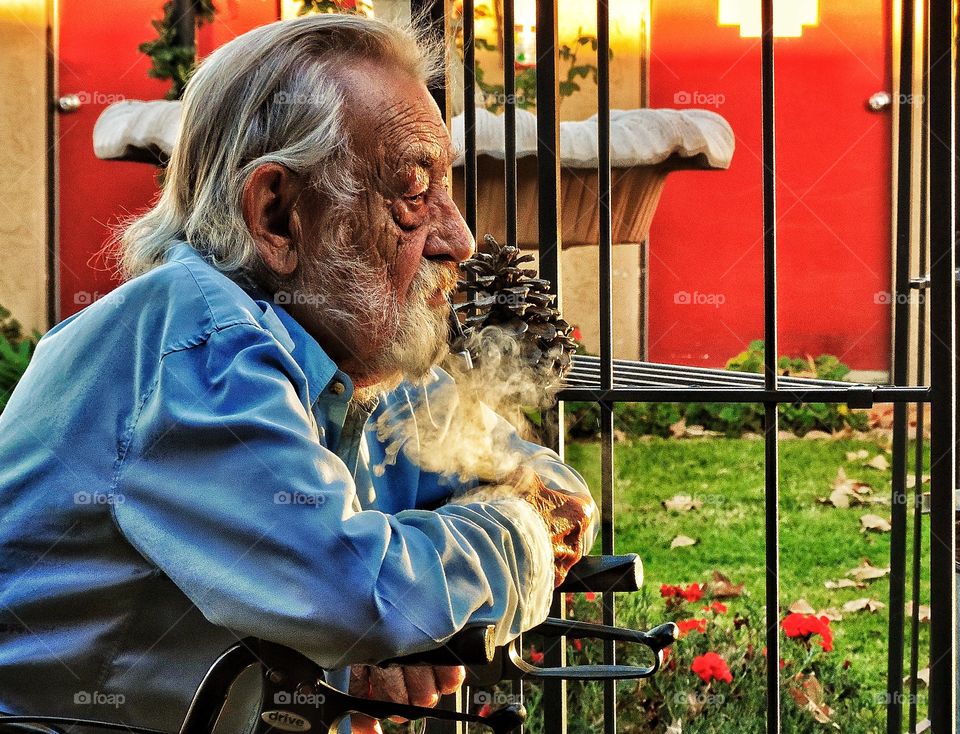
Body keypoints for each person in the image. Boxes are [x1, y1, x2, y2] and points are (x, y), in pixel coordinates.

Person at [0, 13, 597, 734]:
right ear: (278, 215)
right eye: (413, 187)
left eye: (449, 185)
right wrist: (512, 537)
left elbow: (543, 480)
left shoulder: (352, 361)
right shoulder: (194, 340)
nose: (459, 237)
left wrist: (401, 615)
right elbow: (353, 592)